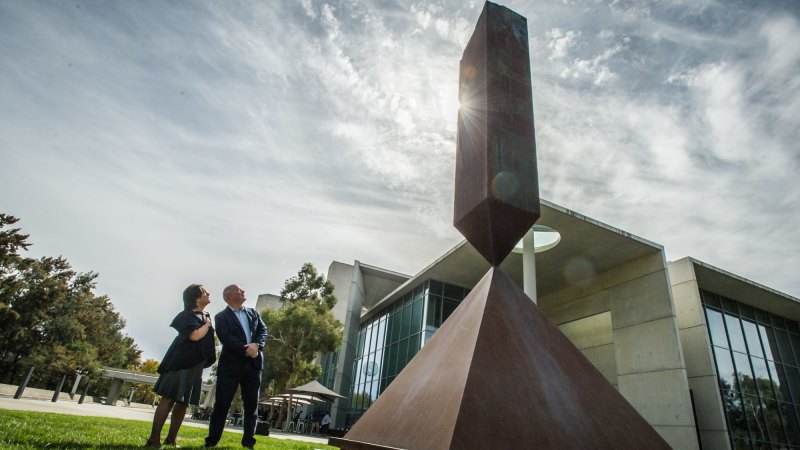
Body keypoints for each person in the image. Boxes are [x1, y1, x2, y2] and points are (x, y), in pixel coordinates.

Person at [146, 284, 216, 448]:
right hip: (180, 364)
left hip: (196, 366)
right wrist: (207, 324)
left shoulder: (204, 315)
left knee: (183, 403)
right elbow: (194, 336)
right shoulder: (185, 316)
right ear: (196, 298)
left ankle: (171, 439)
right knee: (169, 399)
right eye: (205, 292)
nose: (209, 294)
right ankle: (153, 440)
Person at [205, 284, 267, 449]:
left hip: (254, 365)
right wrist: (247, 349)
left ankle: (248, 443)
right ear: (230, 296)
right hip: (231, 366)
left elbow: (263, 330)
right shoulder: (221, 317)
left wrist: (257, 346)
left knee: (251, 406)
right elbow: (226, 338)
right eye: (240, 290)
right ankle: (212, 441)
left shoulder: (253, 312)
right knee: (222, 404)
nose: (244, 292)